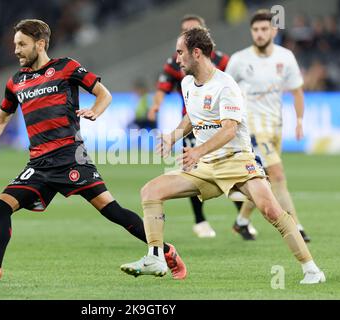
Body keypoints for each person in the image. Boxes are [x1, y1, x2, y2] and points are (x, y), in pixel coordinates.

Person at [0, 19, 187, 282]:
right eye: (15, 44)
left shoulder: (66, 67)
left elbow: (104, 94)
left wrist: (95, 112)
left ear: (40, 44)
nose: (16, 50)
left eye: (22, 44)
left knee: (113, 212)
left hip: (70, 159)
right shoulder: (16, 81)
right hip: (38, 165)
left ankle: (166, 251)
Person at [120, 27, 325, 284]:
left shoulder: (226, 85)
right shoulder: (186, 83)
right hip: (206, 165)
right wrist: (174, 135)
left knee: (271, 211)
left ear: (196, 53)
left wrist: (197, 151)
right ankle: (155, 256)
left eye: (180, 52)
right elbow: (193, 117)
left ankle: (312, 269)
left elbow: (229, 130)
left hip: (237, 160)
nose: (177, 58)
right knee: (150, 191)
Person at [146, 14, 248, 239]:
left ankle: (242, 217)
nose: (188, 33)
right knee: (191, 169)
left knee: (230, 170)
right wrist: (156, 106)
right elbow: (162, 87)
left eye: (193, 29)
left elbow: (236, 89)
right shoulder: (175, 63)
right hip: (193, 124)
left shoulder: (222, 62)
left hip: (222, 124)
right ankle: (200, 220)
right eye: (184, 30)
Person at [225, 10, 311, 242]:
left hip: (275, 127)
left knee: (264, 179)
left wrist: (300, 121)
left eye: (264, 29)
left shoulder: (286, 57)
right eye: (256, 30)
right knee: (277, 174)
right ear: (251, 32)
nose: (260, 34)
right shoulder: (239, 59)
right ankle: (296, 226)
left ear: (273, 31)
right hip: (251, 129)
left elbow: (297, 90)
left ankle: (242, 221)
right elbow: (223, 88)